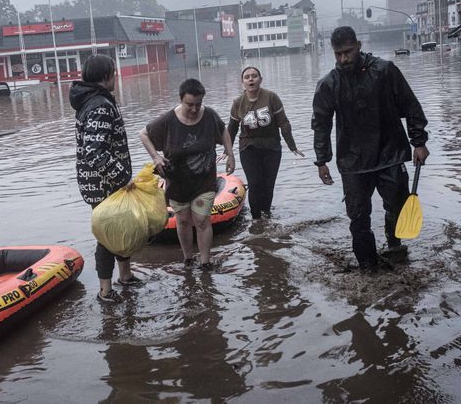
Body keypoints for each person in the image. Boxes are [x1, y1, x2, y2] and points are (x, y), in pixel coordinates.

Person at [311, 26, 430, 271]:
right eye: (338, 54)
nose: (343, 59)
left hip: (390, 153)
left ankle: (394, 244)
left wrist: (418, 142)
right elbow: (320, 124)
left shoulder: (385, 71)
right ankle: (367, 265)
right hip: (353, 162)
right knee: (358, 217)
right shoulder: (329, 84)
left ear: (358, 46)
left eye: (348, 52)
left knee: (397, 206)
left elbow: (410, 106)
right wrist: (322, 160)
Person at [139, 79, 235, 269]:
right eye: (189, 104)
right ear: (181, 99)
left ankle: (205, 262)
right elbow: (144, 134)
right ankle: (188, 258)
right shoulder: (168, 120)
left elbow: (223, 130)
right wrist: (156, 157)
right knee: (182, 221)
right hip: (177, 182)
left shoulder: (209, 115)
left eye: (198, 104)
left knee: (201, 220)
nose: (194, 109)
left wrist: (230, 154)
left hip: (204, 180)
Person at [69, 54, 141, 304]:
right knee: (108, 235)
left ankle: (126, 276)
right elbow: (94, 151)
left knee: (119, 229)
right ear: (105, 75)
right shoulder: (99, 105)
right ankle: (105, 291)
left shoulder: (92, 100)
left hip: (99, 183)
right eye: (114, 71)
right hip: (104, 185)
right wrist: (122, 177)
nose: (116, 76)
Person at [228, 66, 304, 220]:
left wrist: (292, 146)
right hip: (248, 148)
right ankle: (256, 220)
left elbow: (283, 123)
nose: (251, 79)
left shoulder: (271, 97)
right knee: (255, 183)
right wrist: (227, 151)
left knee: (268, 185)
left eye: (254, 76)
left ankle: (266, 215)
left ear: (260, 80)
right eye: (247, 77)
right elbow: (232, 129)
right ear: (242, 82)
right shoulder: (238, 103)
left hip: (271, 147)